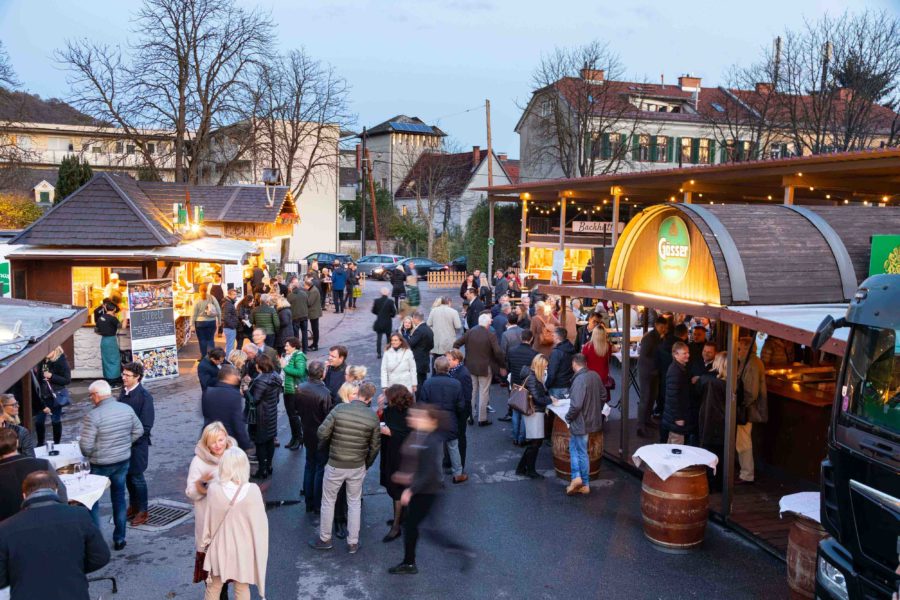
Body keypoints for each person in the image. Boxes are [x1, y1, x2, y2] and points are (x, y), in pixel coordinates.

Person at [388, 406, 475, 575]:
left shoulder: (431, 440)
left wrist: (410, 489)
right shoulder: (419, 434)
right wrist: (405, 476)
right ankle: (410, 561)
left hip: (427, 492)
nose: (412, 418)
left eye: (417, 416)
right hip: (422, 489)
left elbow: (430, 472)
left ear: (430, 421)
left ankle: (411, 562)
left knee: (426, 529)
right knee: (416, 526)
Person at [0, 471, 109, 600]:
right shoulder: (79, 515)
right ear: (56, 491)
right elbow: (101, 557)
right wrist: (73, 568)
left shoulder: (5, 528)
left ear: (24, 496)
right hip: (73, 593)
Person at [309, 380, 381, 554]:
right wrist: (366, 464)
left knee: (328, 501)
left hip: (335, 463)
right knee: (354, 503)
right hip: (357, 466)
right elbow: (375, 446)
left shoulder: (339, 409)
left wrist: (328, 446)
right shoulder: (372, 417)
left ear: (357, 393)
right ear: (370, 397)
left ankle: (325, 539)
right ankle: (353, 542)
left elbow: (321, 432)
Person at [80, 380, 143, 550]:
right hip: (121, 461)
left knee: (92, 500)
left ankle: (96, 542)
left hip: (100, 463)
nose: (90, 399)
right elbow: (139, 430)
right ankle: (120, 538)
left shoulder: (93, 416)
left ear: (96, 395)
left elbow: (85, 447)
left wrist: (94, 451)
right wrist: (124, 444)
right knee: (119, 498)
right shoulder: (126, 409)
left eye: (91, 395)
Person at [201, 447, 268, 600]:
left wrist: (205, 543)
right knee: (242, 587)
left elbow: (209, 522)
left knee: (214, 586)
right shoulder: (253, 491)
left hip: (220, 547)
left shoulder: (214, 489)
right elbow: (260, 526)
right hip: (243, 549)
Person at [185, 422, 234, 555]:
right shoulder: (198, 462)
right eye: (213, 442)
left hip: (231, 520)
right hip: (210, 523)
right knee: (211, 567)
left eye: (220, 440)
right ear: (206, 444)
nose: (218, 445)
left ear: (226, 438)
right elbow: (191, 493)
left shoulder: (234, 457)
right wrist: (202, 486)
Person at [561, 353, 606, 495]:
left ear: (574, 364)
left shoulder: (579, 380)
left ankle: (577, 478)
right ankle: (585, 484)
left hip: (581, 423)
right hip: (592, 421)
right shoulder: (595, 376)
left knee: (577, 450)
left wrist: (567, 417)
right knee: (581, 451)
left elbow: (576, 406)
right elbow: (603, 396)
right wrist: (595, 410)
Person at [418, 357, 467, 484]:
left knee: (437, 451)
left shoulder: (428, 383)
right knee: (453, 447)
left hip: (434, 421)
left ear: (435, 367)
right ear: (448, 368)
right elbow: (461, 406)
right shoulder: (456, 383)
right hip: (450, 419)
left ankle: (439, 479)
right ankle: (458, 474)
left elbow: (422, 404)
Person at [0, 428, 67, 521]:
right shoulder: (42, 463)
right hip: (45, 519)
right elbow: (62, 494)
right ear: (17, 442)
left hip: (8, 528)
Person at [118, 361, 155, 527]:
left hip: (137, 445)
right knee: (127, 476)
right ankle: (133, 506)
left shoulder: (145, 397)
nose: (123, 377)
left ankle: (143, 510)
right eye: (123, 374)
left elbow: (146, 426)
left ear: (137, 377)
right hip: (123, 444)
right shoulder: (123, 393)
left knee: (137, 477)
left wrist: (130, 440)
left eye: (127, 375)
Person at [453, 313, 505, 426]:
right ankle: (482, 419)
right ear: (487, 323)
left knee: (471, 392)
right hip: (485, 368)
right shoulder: (490, 335)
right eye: (490, 321)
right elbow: (498, 352)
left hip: (469, 366)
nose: (491, 322)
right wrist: (502, 365)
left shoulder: (470, 332)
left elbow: (456, 344)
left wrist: (459, 358)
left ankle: (470, 416)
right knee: (483, 392)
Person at [378, 384, 414, 542]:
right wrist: (380, 408)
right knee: (399, 490)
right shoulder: (390, 411)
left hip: (402, 458)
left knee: (398, 491)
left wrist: (391, 433)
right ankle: (400, 519)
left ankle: (397, 526)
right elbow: (382, 422)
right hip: (393, 456)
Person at [296, 361, 332, 515]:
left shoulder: (301, 388)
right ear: (322, 374)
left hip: (307, 431)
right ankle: (317, 504)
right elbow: (328, 417)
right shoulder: (325, 393)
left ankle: (308, 502)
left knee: (309, 465)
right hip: (320, 435)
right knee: (319, 468)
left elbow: (296, 409)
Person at [737, 337, 767, 485]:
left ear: (747, 349)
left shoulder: (752, 364)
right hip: (747, 409)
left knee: (743, 441)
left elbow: (751, 392)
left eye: (739, 349)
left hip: (747, 410)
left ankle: (746, 474)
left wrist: (740, 405)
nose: (737, 352)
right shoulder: (751, 362)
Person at [517, 354, 551, 478]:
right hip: (534, 412)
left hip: (534, 412)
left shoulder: (533, 376)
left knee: (535, 441)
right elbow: (538, 398)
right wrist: (550, 399)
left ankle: (521, 468)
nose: (546, 369)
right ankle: (530, 470)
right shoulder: (533, 378)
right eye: (545, 367)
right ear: (540, 366)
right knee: (535, 442)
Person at [202, 366, 252, 450]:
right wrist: (245, 444)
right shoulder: (234, 394)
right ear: (230, 377)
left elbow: (205, 414)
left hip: (210, 436)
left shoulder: (207, 392)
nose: (238, 377)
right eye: (236, 374)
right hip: (226, 439)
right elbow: (237, 422)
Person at [248, 354, 281, 480]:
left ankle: (262, 470)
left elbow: (254, 400)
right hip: (272, 412)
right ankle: (269, 466)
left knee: (260, 442)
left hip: (261, 415)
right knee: (270, 440)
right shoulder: (275, 376)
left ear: (259, 365)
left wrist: (245, 391)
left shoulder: (260, 380)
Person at [30, 346, 71, 446]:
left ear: (55, 350)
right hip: (43, 395)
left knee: (55, 420)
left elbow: (66, 380)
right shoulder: (43, 361)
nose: (46, 353)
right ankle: (40, 443)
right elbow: (39, 378)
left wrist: (51, 376)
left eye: (49, 351)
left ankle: (57, 443)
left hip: (55, 396)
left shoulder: (61, 361)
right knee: (39, 421)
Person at [636, 318, 668, 438]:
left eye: (665, 327)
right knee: (645, 397)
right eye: (661, 327)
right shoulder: (649, 338)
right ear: (656, 325)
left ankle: (647, 419)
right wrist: (654, 368)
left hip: (655, 371)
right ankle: (640, 425)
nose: (663, 329)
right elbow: (644, 356)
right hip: (647, 371)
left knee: (652, 396)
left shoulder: (660, 337)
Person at [506, 329, 538, 444]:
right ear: (531, 339)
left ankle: (515, 437)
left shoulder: (511, 351)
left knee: (515, 411)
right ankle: (522, 438)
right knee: (525, 412)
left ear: (521, 338)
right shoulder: (534, 354)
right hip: (528, 385)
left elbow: (508, 366)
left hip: (515, 384)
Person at [662, 341, 693, 445]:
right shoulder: (676, 371)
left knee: (672, 443)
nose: (688, 355)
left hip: (674, 416)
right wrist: (678, 417)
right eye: (684, 353)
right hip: (675, 418)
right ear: (676, 354)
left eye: (688, 352)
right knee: (676, 445)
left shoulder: (679, 369)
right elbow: (673, 397)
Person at [445, 349, 473, 464]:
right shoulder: (452, 371)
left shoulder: (463, 374)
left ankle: (460, 463)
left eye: (449, 360)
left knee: (460, 437)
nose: (447, 362)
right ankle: (448, 461)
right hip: (453, 410)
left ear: (456, 360)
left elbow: (467, 396)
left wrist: (460, 411)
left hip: (460, 411)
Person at [282, 337, 307, 451]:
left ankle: (299, 438)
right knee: (290, 415)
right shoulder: (287, 355)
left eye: (287, 345)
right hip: (287, 389)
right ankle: (294, 437)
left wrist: (285, 367)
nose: (285, 347)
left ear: (294, 346)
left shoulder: (299, 356)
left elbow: (300, 372)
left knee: (294, 416)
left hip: (294, 390)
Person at [426, 297, 461, 369]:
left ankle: (435, 377)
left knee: (436, 362)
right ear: (449, 302)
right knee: (448, 363)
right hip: (449, 342)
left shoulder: (434, 311)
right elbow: (458, 326)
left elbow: (428, 323)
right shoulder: (453, 312)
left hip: (437, 342)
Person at [95, 301, 122, 386]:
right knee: (114, 359)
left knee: (106, 360)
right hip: (111, 340)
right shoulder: (113, 318)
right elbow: (121, 326)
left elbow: (96, 331)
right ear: (114, 309)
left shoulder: (101, 318)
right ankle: (114, 382)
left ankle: (108, 379)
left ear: (106, 308)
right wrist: (125, 317)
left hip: (104, 340)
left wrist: (104, 332)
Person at [581, 326, 613, 395]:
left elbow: (582, 362)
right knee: (602, 399)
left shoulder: (587, 347)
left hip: (590, 377)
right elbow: (609, 360)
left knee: (591, 399)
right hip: (603, 377)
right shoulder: (608, 346)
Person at [193, 285, 222, 359]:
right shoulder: (212, 298)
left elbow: (194, 313)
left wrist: (192, 325)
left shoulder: (197, 300)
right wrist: (219, 320)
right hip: (211, 322)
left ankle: (203, 357)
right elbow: (218, 309)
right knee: (210, 339)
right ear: (207, 290)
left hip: (199, 323)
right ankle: (212, 357)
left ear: (199, 290)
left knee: (202, 340)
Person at [546, 327, 576, 398]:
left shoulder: (556, 352)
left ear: (557, 337)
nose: (552, 337)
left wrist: (546, 385)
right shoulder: (571, 348)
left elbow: (552, 373)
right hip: (568, 385)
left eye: (553, 335)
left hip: (557, 387)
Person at [408, 311, 434, 390]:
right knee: (423, 381)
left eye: (413, 318)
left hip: (418, 360)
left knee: (418, 383)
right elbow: (432, 345)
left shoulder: (419, 330)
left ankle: (419, 401)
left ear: (416, 318)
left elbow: (411, 343)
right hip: (425, 359)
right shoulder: (428, 329)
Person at [372, 287, 397, 359]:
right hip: (387, 322)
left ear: (381, 293)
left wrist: (379, 314)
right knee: (388, 338)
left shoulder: (376, 301)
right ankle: (388, 351)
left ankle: (379, 353)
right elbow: (394, 313)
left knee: (379, 338)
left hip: (379, 321)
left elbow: (373, 311)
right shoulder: (390, 301)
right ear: (388, 293)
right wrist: (390, 315)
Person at [287, 278, 309, 351]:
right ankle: (305, 349)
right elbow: (307, 303)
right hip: (304, 316)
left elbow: (288, 306)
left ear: (292, 289)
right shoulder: (304, 293)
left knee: (296, 335)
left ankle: (297, 349)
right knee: (304, 333)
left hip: (295, 317)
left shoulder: (290, 296)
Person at [304, 278, 322, 351]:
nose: (304, 287)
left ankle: (315, 345)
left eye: (305, 286)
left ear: (308, 285)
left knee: (315, 329)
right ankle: (314, 344)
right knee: (314, 328)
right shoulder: (312, 289)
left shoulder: (313, 291)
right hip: (314, 312)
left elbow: (309, 302)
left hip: (314, 312)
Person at [220, 288, 240, 354]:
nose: (235, 296)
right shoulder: (228, 304)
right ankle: (228, 360)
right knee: (230, 345)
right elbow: (226, 317)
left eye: (236, 294)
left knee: (230, 345)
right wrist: (233, 325)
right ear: (229, 295)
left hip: (229, 327)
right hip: (229, 327)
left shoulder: (229, 303)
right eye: (234, 294)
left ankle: (228, 359)